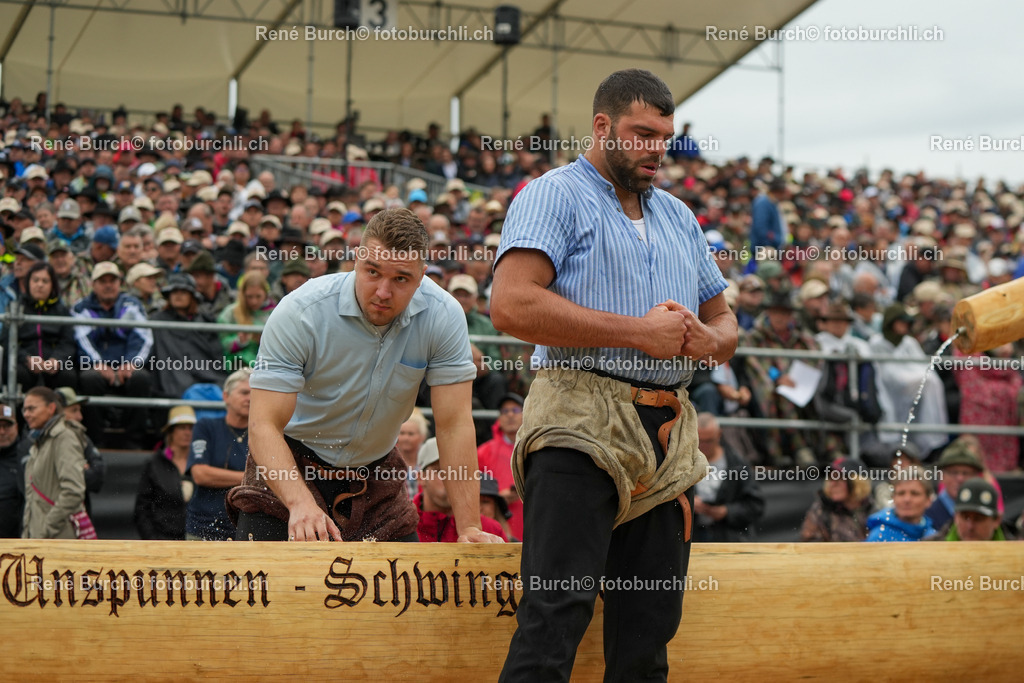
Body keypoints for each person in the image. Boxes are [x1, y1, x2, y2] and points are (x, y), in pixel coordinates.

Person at [490, 70, 736, 681]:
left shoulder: (680, 216)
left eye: (666, 137)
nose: (658, 149)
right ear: (602, 126)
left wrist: (709, 342)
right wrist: (635, 331)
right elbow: (511, 304)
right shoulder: (552, 194)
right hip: (577, 421)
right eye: (643, 134)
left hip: (667, 431)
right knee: (555, 616)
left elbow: (725, 322)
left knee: (648, 632)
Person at [232, 207, 502, 544]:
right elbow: (262, 425)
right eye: (372, 271)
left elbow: (454, 425)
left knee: (408, 593)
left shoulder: (444, 315)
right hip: (289, 462)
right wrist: (300, 504)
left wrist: (469, 528)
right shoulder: (301, 311)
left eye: (401, 278)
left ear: (422, 276)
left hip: (376, 472)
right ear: (356, 260)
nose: (383, 292)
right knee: (264, 592)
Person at [72, 261, 154, 448]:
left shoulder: (132, 304)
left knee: (141, 378)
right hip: (96, 366)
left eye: (112, 280)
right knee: (89, 379)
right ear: (93, 284)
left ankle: (134, 442)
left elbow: (144, 337)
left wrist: (132, 363)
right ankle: (95, 441)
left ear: (119, 283)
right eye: (103, 281)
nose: (108, 285)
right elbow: (81, 339)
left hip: (128, 365)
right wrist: (98, 364)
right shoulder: (81, 308)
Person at [184, 369, 251, 541]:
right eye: (244, 392)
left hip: (246, 529)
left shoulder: (262, 433)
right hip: (204, 527)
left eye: (255, 393)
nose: (250, 398)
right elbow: (200, 474)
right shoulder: (206, 426)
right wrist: (250, 478)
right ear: (226, 396)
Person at [20, 387, 88, 539]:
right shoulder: (40, 441)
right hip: (41, 540)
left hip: (56, 541)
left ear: (51, 408)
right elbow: (32, 500)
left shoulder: (64, 438)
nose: (26, 414)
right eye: (24, 410)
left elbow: (73, 491)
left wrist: (46, 529)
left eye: (31, 409)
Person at [415, 438, 507, 542]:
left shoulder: (490, 530)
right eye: (441, 471)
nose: (452, 478)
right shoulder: (401, 524)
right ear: (421, 477)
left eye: (460, 471)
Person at [150, 273, 227, 398]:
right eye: (174, 292)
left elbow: (216, 357)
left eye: (183, 292)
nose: (178, 295)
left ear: (192, 297)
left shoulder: (205, 321)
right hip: (173, 383)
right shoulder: (157, 320)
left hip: (208, 378)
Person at [692, 412, 764, 542]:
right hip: (693, 535)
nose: (703, 446)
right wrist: (688, 502)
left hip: (729, 535)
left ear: (719, 435)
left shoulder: (737, 463)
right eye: (699, 440)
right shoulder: (684, 462)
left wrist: (726, 512)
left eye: (708, 441)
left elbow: (755, 505)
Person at [134, 406, 196, 540]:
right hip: (162, 539)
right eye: (182, 428)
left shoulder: (201, 463)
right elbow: (142, 508)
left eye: (191, 428)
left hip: (196, 539)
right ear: (171, 432)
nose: (187, 432)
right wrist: (152, 540)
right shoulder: (154, 464)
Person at [14, 261, 78, 391]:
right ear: (28, 283)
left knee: (68, 376)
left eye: (45, 281)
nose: (40, 285)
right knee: (18, 374)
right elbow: (8, 341)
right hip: (24, 363)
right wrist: (26, 359)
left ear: (52, 285)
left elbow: (68, 341)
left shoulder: (61, 311)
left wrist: (57, 360)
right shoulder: (16, 309)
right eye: (35, 280)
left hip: (54, 363)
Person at [477, 392, 525, 541]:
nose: (510, 415)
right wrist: (497, 497)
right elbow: (473, 489)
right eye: (504, 411)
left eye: (515, 410)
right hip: (496, 527)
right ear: (499, 418)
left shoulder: (536, 449)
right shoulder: (484, 452)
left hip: (529, 520)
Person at [800, 458, 873, 542]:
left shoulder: (873, 509)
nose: (832, 484)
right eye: (830, 478)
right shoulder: (821, 511)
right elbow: (809, 547)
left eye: (839, 478)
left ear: (856, 483)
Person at [217, 271, 275, 369]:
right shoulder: (230, 313)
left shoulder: (274, 313)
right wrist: (239, 342)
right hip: (239, 365)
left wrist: (265, 340)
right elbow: (221, 342)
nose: (254, 301)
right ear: (243, 294)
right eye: (249, 297)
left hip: (269, 363)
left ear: (265, 294)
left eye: (258, 296)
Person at [865, 466, 935, 542]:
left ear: (928, 500)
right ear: (893, 498)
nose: (907, 499)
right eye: (901, 493)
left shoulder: (934, 537)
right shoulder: (879, 538)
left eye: (914, 493)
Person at [937, 478, 1015, 541]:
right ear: (956, 517)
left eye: (978, 518)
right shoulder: (932, 548)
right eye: (965, 517)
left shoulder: (1017, 554)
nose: (970, 526)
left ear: (997, 520)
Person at [0, 405, 30, 538]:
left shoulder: (28, 456)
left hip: (18, 544)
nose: (1, 432)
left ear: (16, 427)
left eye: (7, 426)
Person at [396, 407, 429, 499]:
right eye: (402, 433)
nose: (406, 438)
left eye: (411, 434)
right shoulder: (389, 459)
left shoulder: (429, 459)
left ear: (422, 436)